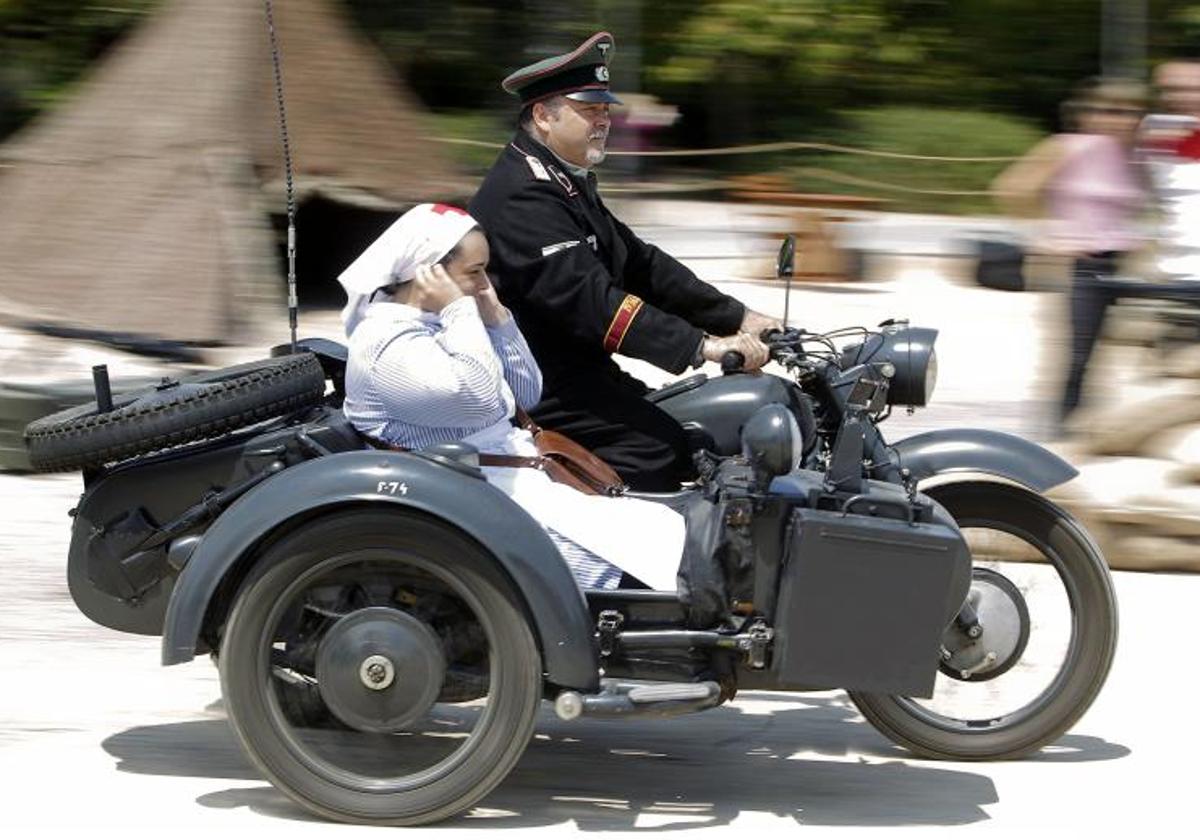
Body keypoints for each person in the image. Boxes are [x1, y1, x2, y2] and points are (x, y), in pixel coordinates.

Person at [469, 32, 779, 492]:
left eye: (606, 110)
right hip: (536, 383)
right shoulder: (522, 195)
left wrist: (739, 317)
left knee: (699, 423)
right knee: (662, 453)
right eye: (589, 109)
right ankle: (588, 552)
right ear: (542, 115)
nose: (604, 121)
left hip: (578, 369)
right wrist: (702, 346)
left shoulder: (564, 181)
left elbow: (641, 264)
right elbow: (591, 301)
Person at [337, 202, 684, 592]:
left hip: (504, 477)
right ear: (428, 273)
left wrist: (499, 321)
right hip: (467, 496)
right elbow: (481, 400)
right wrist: (459, 311)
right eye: (475, 273)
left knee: (661, 530)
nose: (485, 284)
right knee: (636, 564)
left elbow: (526, 393)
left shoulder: (438, 322)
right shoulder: (387, 343)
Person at [992, 77, 1148, 429]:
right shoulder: (1068, 146)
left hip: (1121, 261)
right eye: (1110, 111)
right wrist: (1046, 233)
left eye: (1131, 113)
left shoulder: (1133, 156)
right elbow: (1012, 188)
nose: (1122, 120)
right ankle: (1056, 430)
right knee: (1075, 356)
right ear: (1088, 114)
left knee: (1110, 356)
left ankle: (1085, 428)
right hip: (1077, 263)